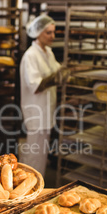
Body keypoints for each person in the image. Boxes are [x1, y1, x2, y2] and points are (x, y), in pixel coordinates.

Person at [19, 14, 69, 177]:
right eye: (48, 32)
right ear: (38, 33)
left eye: (54, 32)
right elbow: (36, 85)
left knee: (42, 153)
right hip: (35, 110)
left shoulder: (48, 52)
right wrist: (56, 77)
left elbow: (58, 71)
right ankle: (27, 187)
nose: (53, 36)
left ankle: (38, 185)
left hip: (47, 110)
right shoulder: (30, 56)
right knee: (33, 153)